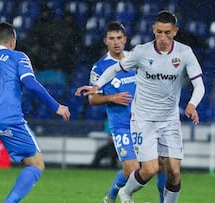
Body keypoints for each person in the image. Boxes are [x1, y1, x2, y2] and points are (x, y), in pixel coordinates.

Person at [76, 10, 205, 203]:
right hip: (136, 121)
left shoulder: (183, 53)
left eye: (167, 33)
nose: (163, 37)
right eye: (159, 32)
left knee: (172, 171)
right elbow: (107, 79)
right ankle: (117, 194)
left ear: (175, 32)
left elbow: (199, 85)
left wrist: (192, 104)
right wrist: (100, 89)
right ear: (153, 30)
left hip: (168, 120)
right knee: (140, 169)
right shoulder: (135, 55)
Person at [0, 22, 70, 203]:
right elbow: (30, 84)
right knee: (36, 165)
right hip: (8, 119)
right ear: (12, 41)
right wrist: (56, 106)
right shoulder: (18, 57)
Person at [76, 21, 166, 203]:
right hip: (121, 125)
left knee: (161, 164)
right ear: (105, 41)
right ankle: (114, 196)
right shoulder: (100, 67)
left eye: (119, 38)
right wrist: (111, 98)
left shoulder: (135, 59)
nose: (116, 42)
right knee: (131, 169)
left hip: (144, 123)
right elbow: (92, 99)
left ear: (125, 39)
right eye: (112, 38)